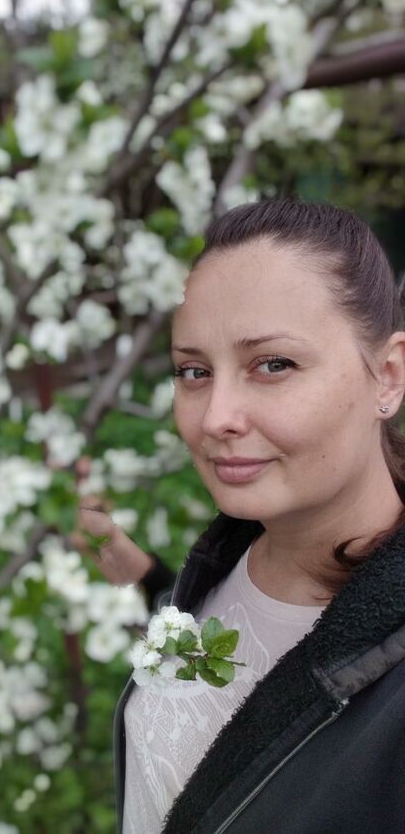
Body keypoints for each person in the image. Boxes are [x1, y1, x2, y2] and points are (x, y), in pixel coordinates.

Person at [73, 198, 405, 833]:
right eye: (193, 371)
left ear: (387, 376)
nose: (215, 416)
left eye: (273, 364)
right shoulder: (233, 551)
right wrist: (125, 563)